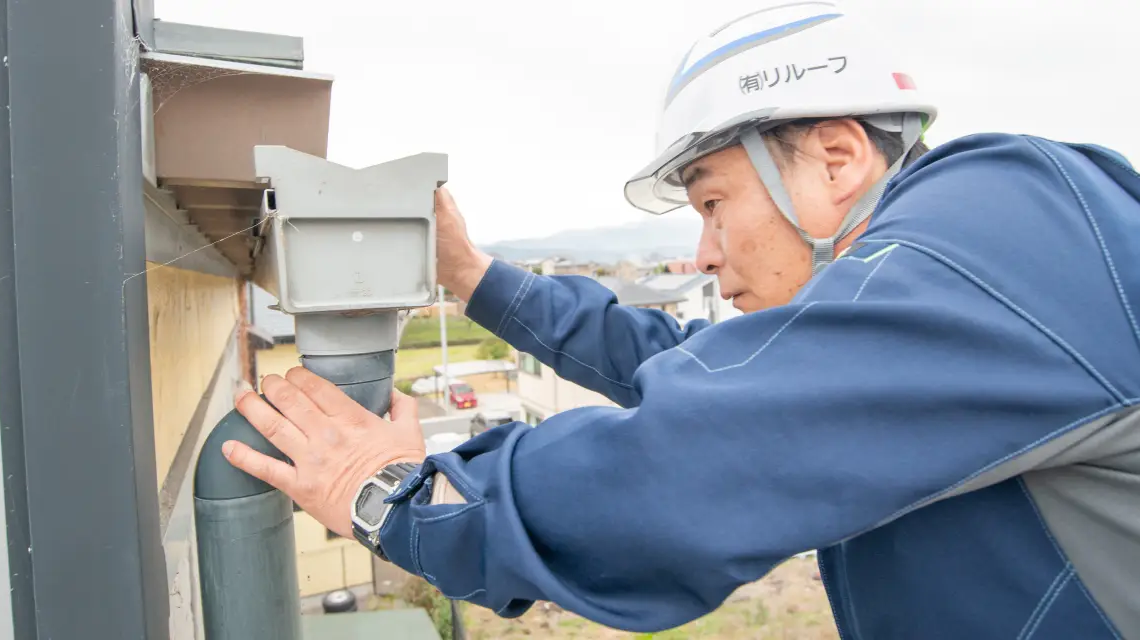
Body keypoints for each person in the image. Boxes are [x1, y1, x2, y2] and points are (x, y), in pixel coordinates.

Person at [223, 3, 1140, 638]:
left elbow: (695, 460)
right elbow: (701, 365)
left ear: (834, 159)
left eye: (712, 203)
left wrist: (392, 496)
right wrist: (473, 279)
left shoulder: (1007, 224)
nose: (701, 256)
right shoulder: (941, 286)